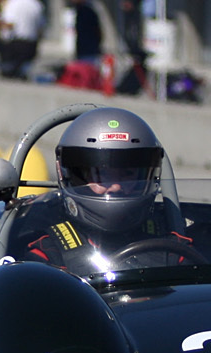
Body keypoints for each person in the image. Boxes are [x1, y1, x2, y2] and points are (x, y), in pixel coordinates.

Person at [15, 108, 192, 272]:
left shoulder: (175, 251)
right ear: (72, 175)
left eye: (128, 174)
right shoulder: (47, 254)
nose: (115, 186)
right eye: (101, 175)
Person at [0, 0, 43, 80]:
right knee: (22, 72)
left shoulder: (12, 2)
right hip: (31, 43)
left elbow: (9, 24)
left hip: (16, 44)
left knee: (9, 74)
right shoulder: (36, 3)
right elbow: (40, 28)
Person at [68, 0, 104, 65]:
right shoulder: (79, 10)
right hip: (83, 50)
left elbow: (97, 31)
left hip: (89, 51)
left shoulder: (87, 11)